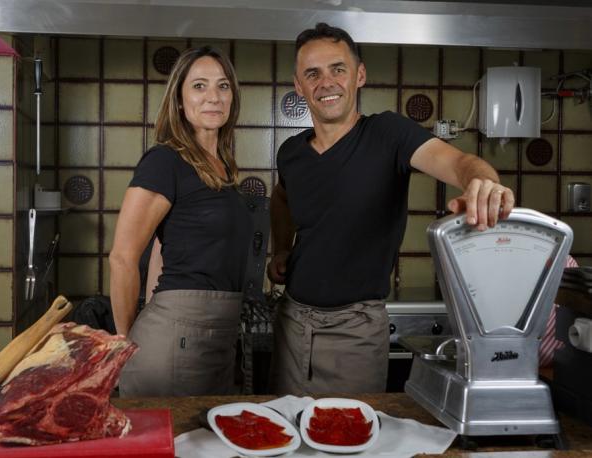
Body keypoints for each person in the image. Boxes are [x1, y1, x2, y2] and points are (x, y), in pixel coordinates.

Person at [267, 23, 516, 395]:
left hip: (356, 330)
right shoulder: (291, 152)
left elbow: (459, 162)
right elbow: (282, 198)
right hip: (291, 322)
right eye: (312, 74)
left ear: (359, 75)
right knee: (286, 438)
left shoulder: (389, 134)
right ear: (299, 85)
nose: (326, 82)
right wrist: (282, 248)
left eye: (338, 69)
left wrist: (482, 181)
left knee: (349, 444)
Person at [109, 46, 252, 397]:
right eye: (199, 86)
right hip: (176, 337)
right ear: (179, 99)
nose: (213, 97)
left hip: (219, 332)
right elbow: (123, 257)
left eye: (223, 86)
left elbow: (162, 249)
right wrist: (125, 343)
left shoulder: (224, 168)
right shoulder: (164, 161)